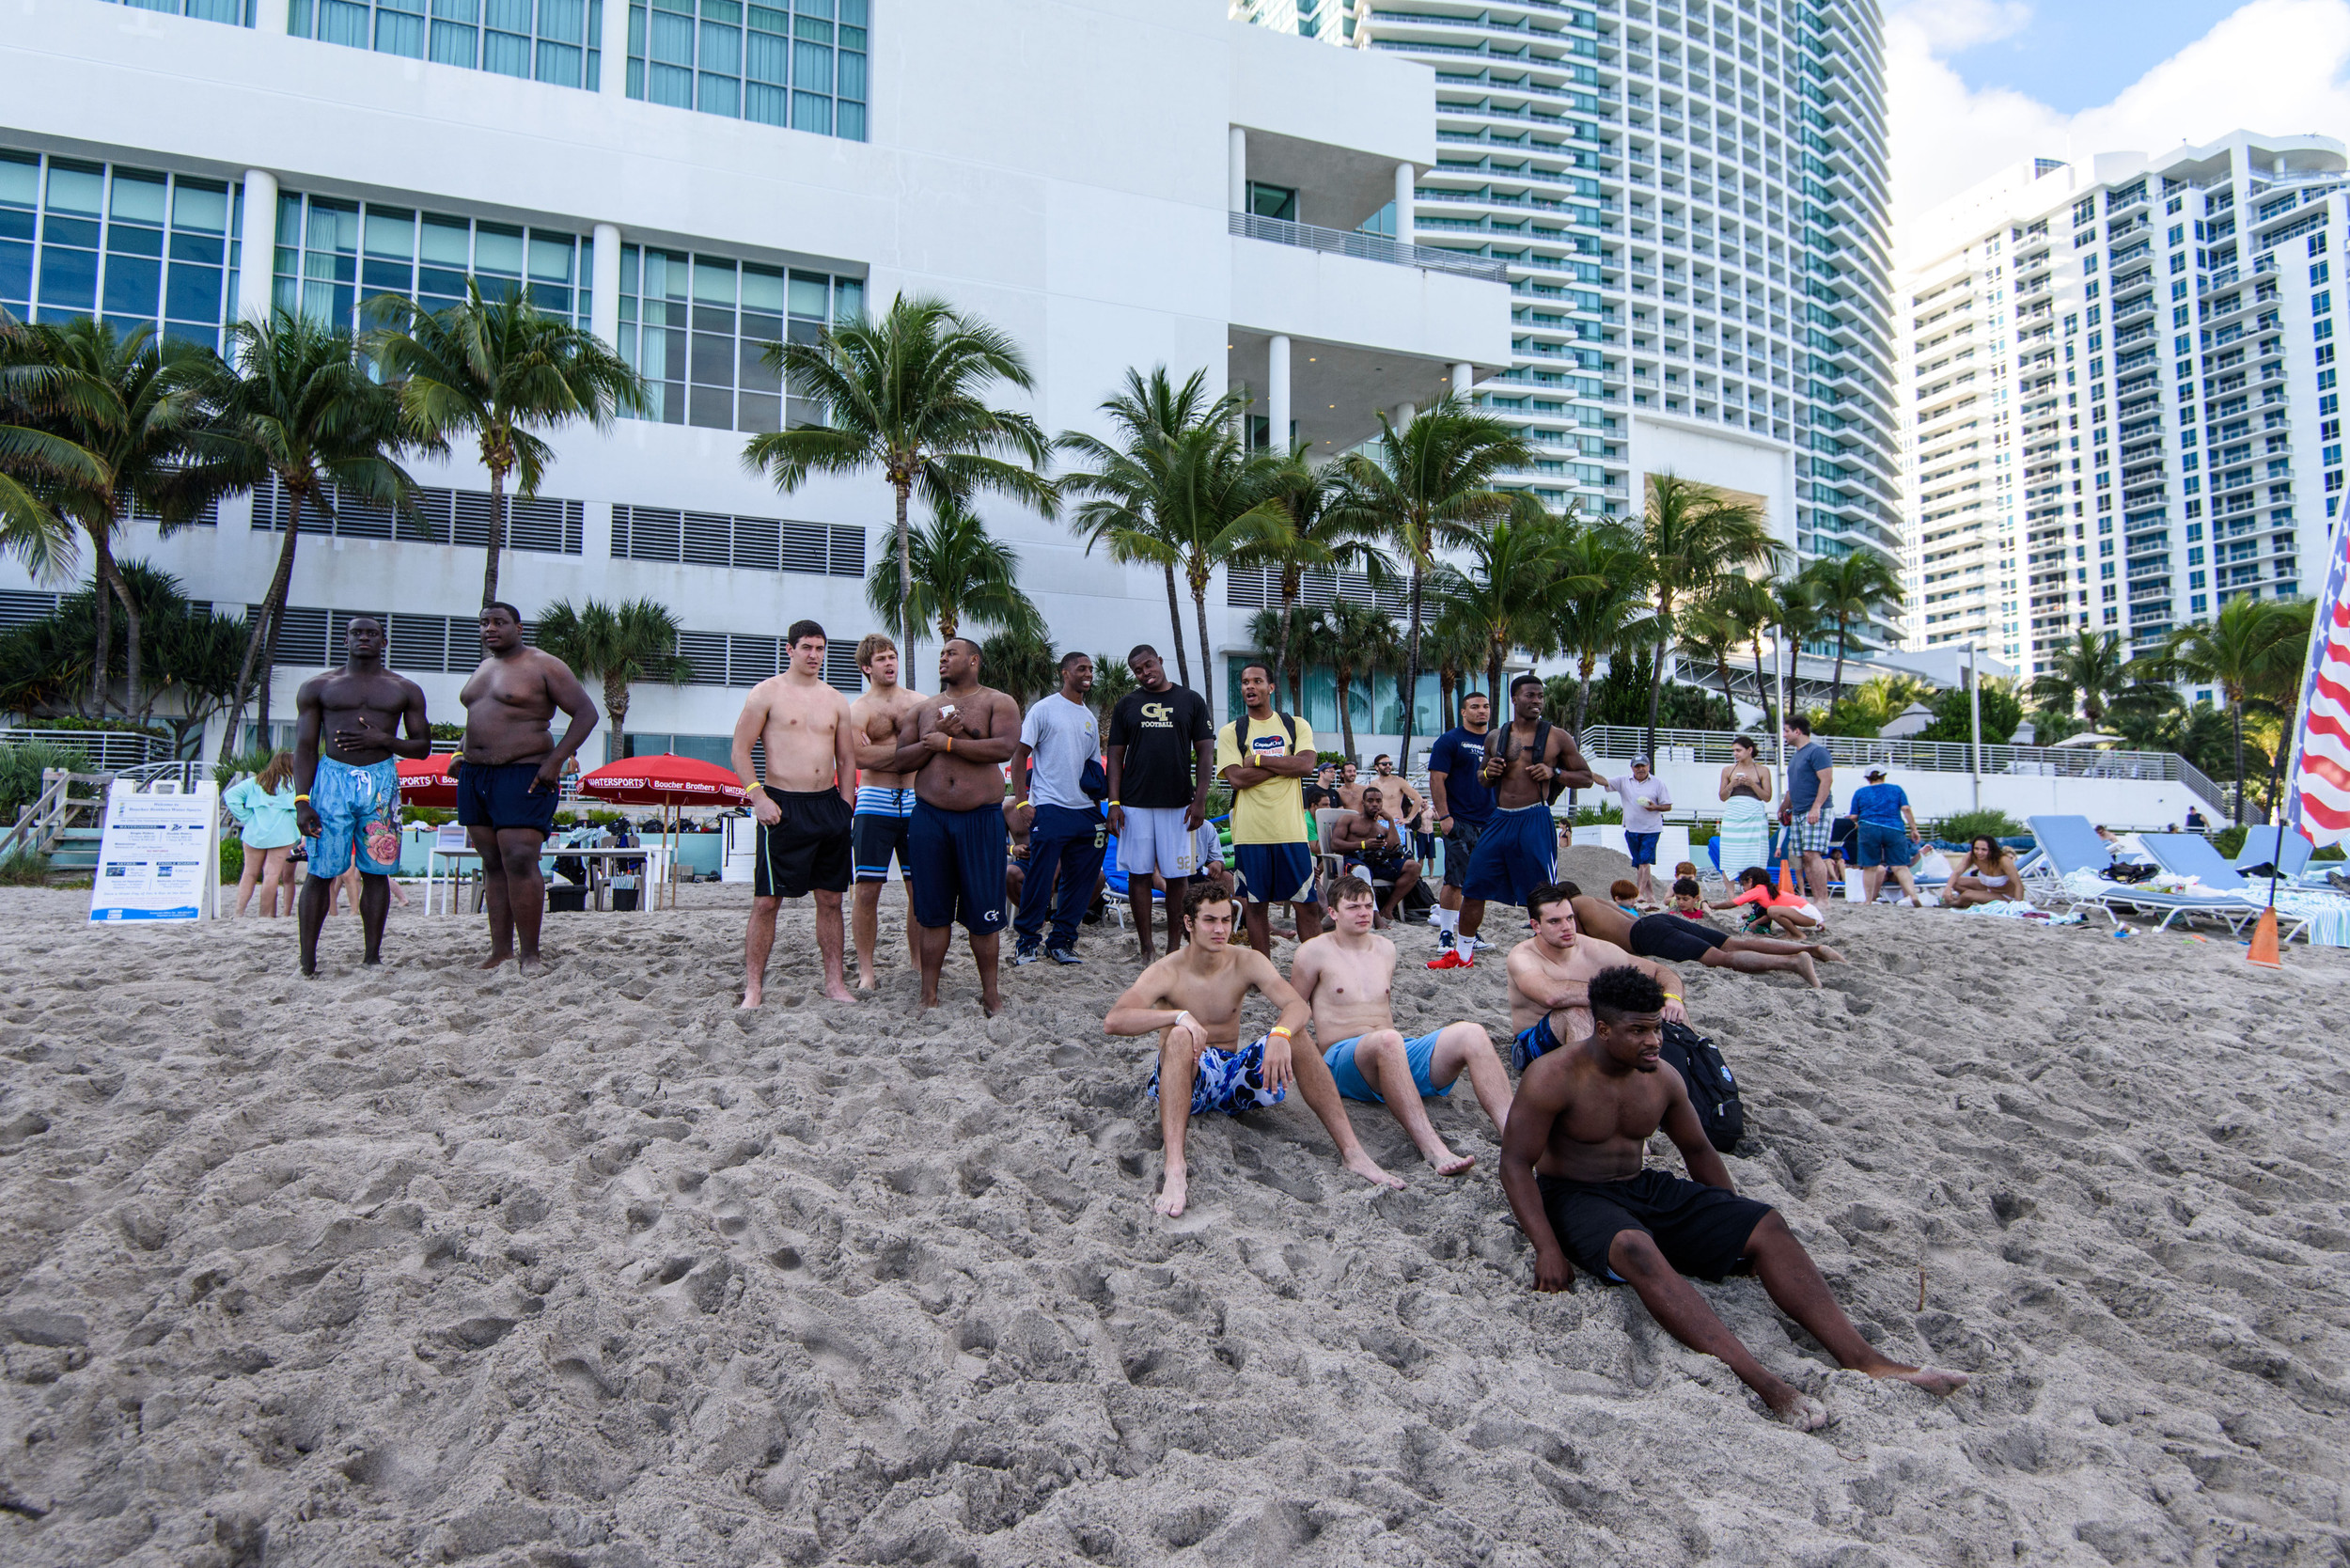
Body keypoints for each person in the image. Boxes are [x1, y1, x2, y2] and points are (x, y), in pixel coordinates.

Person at [1497, 964, 1966, 1429]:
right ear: (1602, 1029)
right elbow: (1516, 1164)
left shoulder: (1661, 1078)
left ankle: (1865, 1358)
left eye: (1657, 1028)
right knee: (1635, 1248)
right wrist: (1548, 1248)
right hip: (1573, 1196)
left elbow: (1698, 1150)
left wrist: (1728, 1224)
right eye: (1638, 1031)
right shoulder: (1553, 1076)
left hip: (1640, 1186)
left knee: (1765, 1223)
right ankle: (1765, 1383)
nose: (1654, 1042)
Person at [1103, 883, 1403, 1217]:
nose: (1220, 930)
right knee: (1178, 1037)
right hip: (1189, 1079)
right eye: (1209, 921)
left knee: (1297, 1033)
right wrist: (1178, 1016)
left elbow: (1296, 1006)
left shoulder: (1246, 961)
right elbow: (1114, 1021)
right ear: (1188, 923)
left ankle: (1353, 1153)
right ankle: (1175, 1167)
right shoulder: (1166, 971)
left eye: (1226, 920)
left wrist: (1280, 1033)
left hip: (1233, 1077)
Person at [1291, 875, 1512, 1175]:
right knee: (1388, 1040)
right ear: (1333, 912)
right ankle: (1434, 1149)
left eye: (1368, 906)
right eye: (1353, 907)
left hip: (1392, 1053)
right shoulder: (1313, 952)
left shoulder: (1386, 949)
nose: (1363, 913)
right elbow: (1293, 1010)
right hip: (1343, 1061)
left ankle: (1514, 1133)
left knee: (1471, 1033)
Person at [453, 603, 598, 975]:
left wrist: (555, 762)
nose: (490, 629)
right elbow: (477, 717)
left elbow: (586, 713)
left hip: (524, 772)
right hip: (475, 775)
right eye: (484, 622)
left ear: (518, 627)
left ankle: (530, 954)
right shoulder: (484, 668)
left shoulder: (543, 664)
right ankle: (500, 950)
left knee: (518, 857)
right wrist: (458, 751)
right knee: (492, 861)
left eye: (498, 622)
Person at [884, 636, 1020, 1013]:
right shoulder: (923, 709)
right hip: (931, 818)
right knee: (932, 911)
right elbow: (900, 761)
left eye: (951, 654)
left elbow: (1003, 748)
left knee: (985, 914)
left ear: (974, 660)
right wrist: (933, 744)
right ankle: (929, 992)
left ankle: (991, 993)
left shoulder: (997, 701)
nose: (943, 659)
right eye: (941, 654)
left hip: (981, 818)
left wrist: (952, 743)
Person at [293, 617, 432, 976]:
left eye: (372, 633)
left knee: (377, 871)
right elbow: (305, 747)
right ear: (345, 640)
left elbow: (421, 748)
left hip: (381, 782)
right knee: (321, 870)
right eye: (357, 633)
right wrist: (302, 801)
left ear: (384, 642)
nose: (364, 638)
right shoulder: (319, 687)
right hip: (331, 780)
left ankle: (372, 956)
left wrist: (383, 740)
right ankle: (307, 961)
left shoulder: (404, 689)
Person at [731, 619, 858, 1007]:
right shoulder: (765, 693)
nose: (814, 656)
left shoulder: (835, 699)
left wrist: (847, 806)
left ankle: (834, 983)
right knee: (767, 901)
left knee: (832, 900)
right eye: (806, 648)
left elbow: (847, 758)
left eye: (820, 649)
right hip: (781, 806)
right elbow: (740, 749)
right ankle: (754, 987)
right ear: (789, 649)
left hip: (827, 807)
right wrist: (757, 797)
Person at [1447, 674, 1598, 969]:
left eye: (1540, 696)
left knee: (1543, 893)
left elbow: (1587, 778)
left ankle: (1553, 954)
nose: (1537, 701)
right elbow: (1483, 779)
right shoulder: (1496, 736)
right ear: (1514, 699)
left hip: (1535, 816)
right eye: (1530, 695)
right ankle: (1463, 954)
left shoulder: (1557, 736)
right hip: (1500, 818)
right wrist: (1489, 772)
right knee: (1474, 886)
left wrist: (1555, 774)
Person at [1105, 643, 1215, 962]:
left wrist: (1199, 800)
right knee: (1138, 875)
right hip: (1135, 804)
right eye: (1138, 670)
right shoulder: (1127, 704)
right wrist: (1114, 803)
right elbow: (1114, 757)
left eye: (1149, 665)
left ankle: (1172, 948)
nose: (1145, 673)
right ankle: (1146, 948)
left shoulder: (1190, 700)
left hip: (1178, 805)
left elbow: (1205, 753)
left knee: (1177, 876)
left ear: (1160, 661)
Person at [1505, 883, 1686, 1070]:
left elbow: (1660, 972)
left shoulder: (1592, 948)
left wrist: (1672, 997)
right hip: (1532, 1046)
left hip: (1594, 1035)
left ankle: (1695, 1080)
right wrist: (1621, 995)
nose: (1567, 927)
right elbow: (1551, 995)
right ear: (1536, 925)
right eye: (1554, 921)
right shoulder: (1522, 956)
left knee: (1669, 1006)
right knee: (1575, 1012)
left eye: (1569, 918)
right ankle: (1591, 1093)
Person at [1214, 662, 1323, 953]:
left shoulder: (1296, 725)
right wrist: (1287, 765)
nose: (1250, 686)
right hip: (1251, 833)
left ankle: (1315, 969)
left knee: (1308, 906)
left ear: (1271, 688)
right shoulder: (1231, 731)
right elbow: (1237, 778)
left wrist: (1259, 760)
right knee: (1256, 908)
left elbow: (1307, 765)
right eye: (1245, 682)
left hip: (1291, 831)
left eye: (1257, 681)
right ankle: (1263, 974)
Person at [1011, 651, 1106, 966]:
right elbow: (1019, 756)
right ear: (1064, 673)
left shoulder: (1090, 719)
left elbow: (1093, 773)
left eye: (1090, 669)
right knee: (1040, 878)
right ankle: (1027, 941)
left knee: (1081, 881)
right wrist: (1023, 801)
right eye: (1081, 668)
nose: (1088, 673)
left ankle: (1062, 941)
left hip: (1085, 812)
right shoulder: (1044, 709)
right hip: (1050, 807)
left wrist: (1099, 813)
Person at [847, 633, 926, 992]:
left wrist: (885, 751)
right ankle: (866, 971)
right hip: (874, 800)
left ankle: (917, 962)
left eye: (892, 656)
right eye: (881, 659)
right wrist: (908, 751)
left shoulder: (920, 703)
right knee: (867, 890)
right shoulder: (857, 710)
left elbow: (935, 749)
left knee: (919, 889)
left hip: (915, 800)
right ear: (867, 667)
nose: (890, 663)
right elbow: (857, 758)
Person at [1567, 884, 1827, 987]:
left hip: (1646, 936)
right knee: (1734, 943)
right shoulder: (1594, 900)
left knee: (1719, 958)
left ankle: (1792, 963)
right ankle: (1815, 949)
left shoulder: (1573, 906)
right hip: (1654, 922)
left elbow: (1575, 944)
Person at [1425, 691, 1496, 961]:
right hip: (1459, 819)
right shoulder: (1450, 740)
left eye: (1486, 706)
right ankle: (1445, 933)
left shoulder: (1496, 742)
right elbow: (1437, 779)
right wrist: (1444, 817)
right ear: (1464, 712)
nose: (1482, 711)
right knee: (1455, 880)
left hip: (1489, 821)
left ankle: (1469, 932)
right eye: (1475, 706)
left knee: (1477, 882)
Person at [1329, 784, 1422, 924]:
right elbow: (1335, 844)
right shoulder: (1349, 819)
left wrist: (1390, 820)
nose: (1375, 804)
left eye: (1378, 801)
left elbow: (1395, 848)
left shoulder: (1380, 827)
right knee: (1362, 870)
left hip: (1377, 862)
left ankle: (1388, 909)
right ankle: (1376, 916)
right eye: (1370, 800)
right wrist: (1363, 844)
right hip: (1354, 861)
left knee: (1414, 867)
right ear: (1363, 803)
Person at [224, 751, 301, 917]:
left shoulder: (256, 781)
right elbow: (299, 810)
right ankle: (265, 915)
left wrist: (246, 817)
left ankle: (239, 912)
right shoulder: (295, 785)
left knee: (249, 873)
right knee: (271, 874)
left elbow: (230, 796)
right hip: (283, 833)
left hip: (254, 830)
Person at [1602, 754, 1674, 904]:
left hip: (1651, 829)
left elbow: (1667, 806)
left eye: (1643, 766)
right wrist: (1585, 771)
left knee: (1644, 862)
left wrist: (1655, 807)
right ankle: (1651, 895)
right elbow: (1604, 782)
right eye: (1637, 766)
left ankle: (1639, 894)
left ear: (1648, 766)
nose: (1640, 769)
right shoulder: (1624, 781)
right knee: (1639, 863)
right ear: (1632, 768)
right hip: (1632, 829)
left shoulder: (1657, 783)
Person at [1848, 767, 1924, 905]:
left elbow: (1854, 815)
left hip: (1869, 828)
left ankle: (1868, 900)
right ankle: (1913, 895)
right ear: (1884, 776)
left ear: (1867, 778)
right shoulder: (1896, 789)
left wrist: (1856, 821)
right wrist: (1914, 829)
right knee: (1900, 866)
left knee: (1870, 867)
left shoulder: (1860, 792)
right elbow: (1906, 809)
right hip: (1894, 827)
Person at [1778, 715, 1834, 904]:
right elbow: (1793, 788)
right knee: (1804, 857)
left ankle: (1823, 899)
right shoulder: (1796, 757)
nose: (1784, 735)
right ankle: (1817, 899)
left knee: (1813, 853)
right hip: (1799, 811)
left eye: (1786, 730)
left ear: (1797, 731)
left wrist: (1816, 807)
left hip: (1816, 809)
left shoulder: (1817, 752)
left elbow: (1826, 780)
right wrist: (1783, 807)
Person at [1716, 734, 1775, 883]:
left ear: (1749, 750)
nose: (1735, 753)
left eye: (1738, 750)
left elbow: (1767, 797)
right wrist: (1732, 785)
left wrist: (1752, 784)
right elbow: (1722, 796)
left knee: (1755, 853)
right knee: (1729, 855)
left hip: (1753, 814)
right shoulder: (1728, 770)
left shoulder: (1762, 770)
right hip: (1734, 814)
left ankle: (1755, 889)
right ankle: (1731, 895)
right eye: (1734, 751)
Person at [1715, 865, 1825, 936]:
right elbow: (1770, 915)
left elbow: (1732, 903)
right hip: (1809, 914)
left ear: (1750, 881)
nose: (1743, 888)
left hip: (1807, 914)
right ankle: (1790, 933)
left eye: (1743, 884)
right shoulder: (1767, 890)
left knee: (1773, 910)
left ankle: (1798, 935)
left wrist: (1713, 906)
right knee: (1773, 910)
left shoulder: (1758, 890)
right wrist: (1754, 920)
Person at [1371, 755, 1430, 861]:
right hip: (1379, 824)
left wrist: (1409, 818)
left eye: (1390, 763)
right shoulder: (1373, 784)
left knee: (1398, 855)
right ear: (1376, 767)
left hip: (1396, 823)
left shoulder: (1399, 781)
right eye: (1384, 764)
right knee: (1380, 856)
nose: (1388, 766)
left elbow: (1418, 798)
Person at [1940, 833, 2025, 908]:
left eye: (1984, 850)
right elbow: (1957, 872)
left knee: (1967, 894)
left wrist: (2017, 906)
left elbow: (2018, 884)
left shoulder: (2003, 861)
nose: (1979, 852)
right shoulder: (1972, 856)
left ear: (1991, 850)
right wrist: (1948, 888)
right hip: (1987, 888)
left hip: (2005, 896)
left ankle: (1956, 902)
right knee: (1955, 881)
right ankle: (1969, 899)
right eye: (1976, 848)